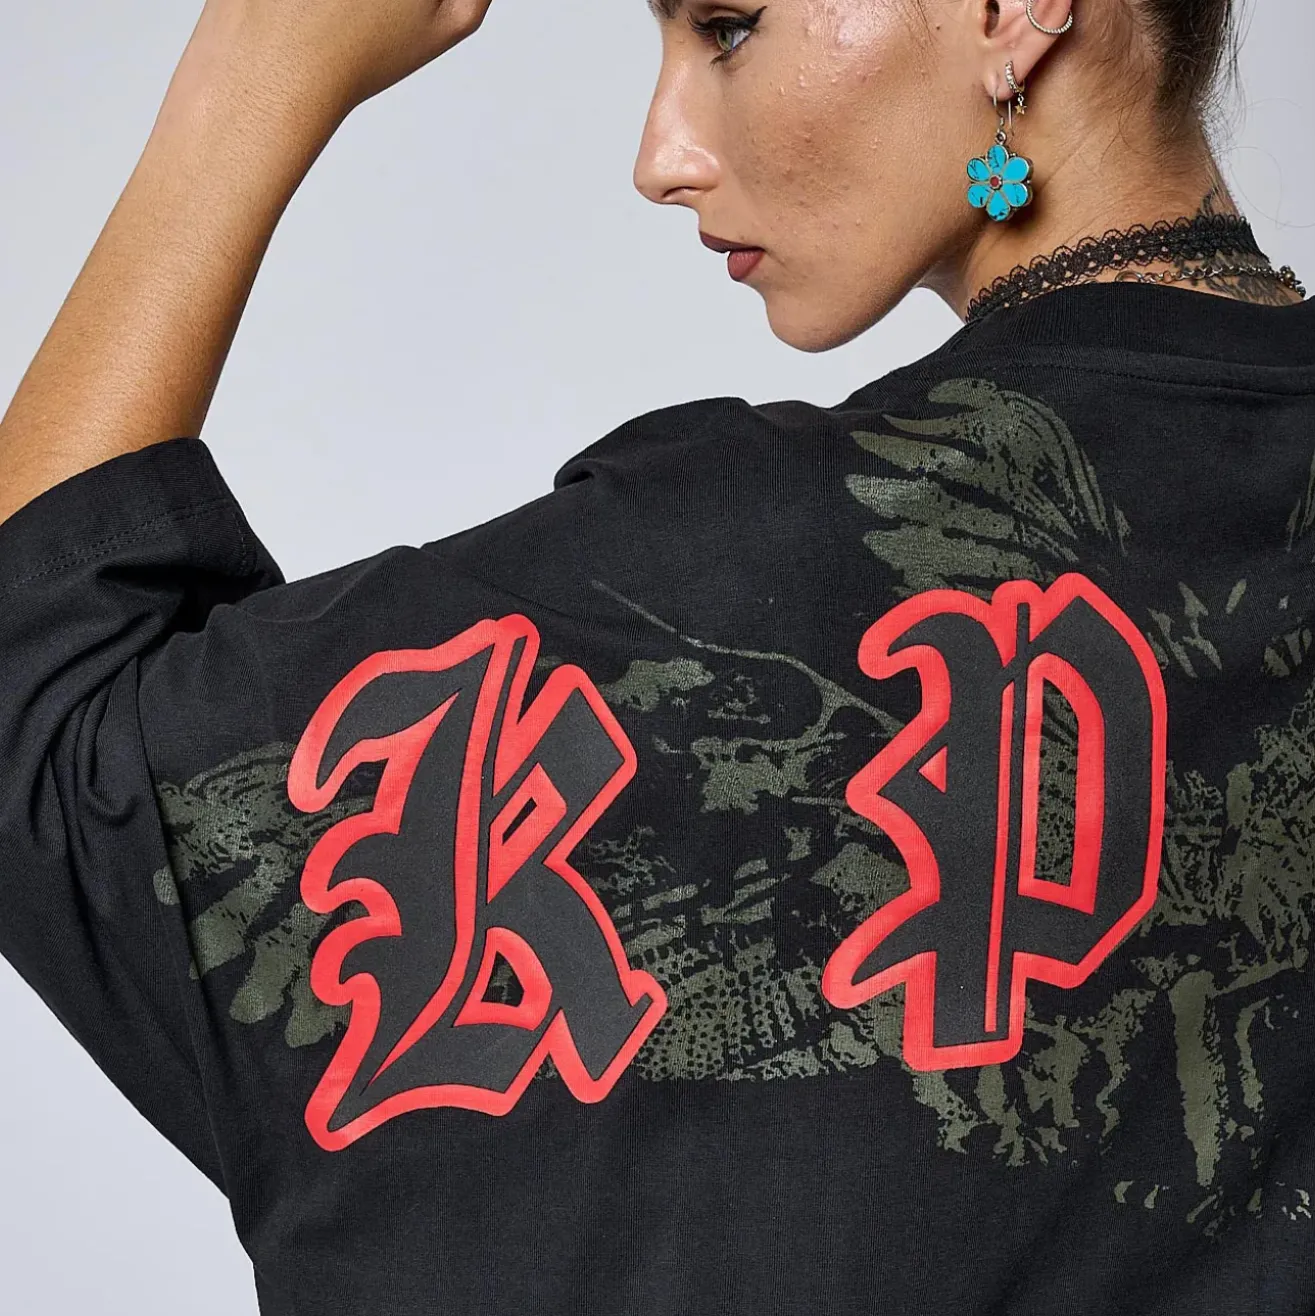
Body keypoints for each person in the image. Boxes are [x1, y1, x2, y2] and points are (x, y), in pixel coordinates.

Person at [0, 0, 1311, 1311]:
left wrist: (253, 68)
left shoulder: (725, 569)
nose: (660, 155)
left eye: (728, 27)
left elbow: (46, 717)